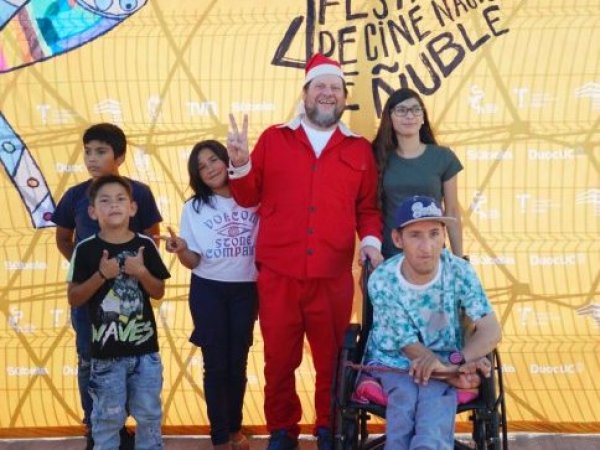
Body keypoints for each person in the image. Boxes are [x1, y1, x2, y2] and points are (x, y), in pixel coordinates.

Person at [226, 53, 383, 450]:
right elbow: (248, 198)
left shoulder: (359, 149)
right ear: (306, 93)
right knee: (280, 359)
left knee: (332, 359)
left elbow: (368, 209)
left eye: (335, 88)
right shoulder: (274, 139)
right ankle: (282, 429)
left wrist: (370, 243)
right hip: (278, 273)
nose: (328, 94)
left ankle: (329, 427)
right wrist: (240, 165)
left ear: (344, 97)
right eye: (321, 87)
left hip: (332, 275)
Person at [52, 123, 162, 450]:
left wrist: (135, 271)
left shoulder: (140, 192)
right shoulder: (75, 195)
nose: (92, 158)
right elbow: (63, 239)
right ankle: (96, 428)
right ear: (92, 209)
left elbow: (152, 240)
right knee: (90, 362)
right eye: (87, 152)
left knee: (135, 368)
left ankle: (127, 429)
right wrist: (91, 271)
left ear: (120, 156)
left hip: (131, 308)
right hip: (90, 306)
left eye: (101, 151)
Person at [365, 195, 502, 450]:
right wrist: (454, 375)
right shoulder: (383, 280)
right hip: (393, 361)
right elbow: (408, 345)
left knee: (434, 403)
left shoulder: (459, 271)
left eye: (434, 234)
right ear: (398, 239)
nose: (426, 246)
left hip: (447, 357)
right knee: (405, 398)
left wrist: (457, 361)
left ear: (443, 236)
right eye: (415, 235)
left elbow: (491, 329)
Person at [161, 140, 258, 450]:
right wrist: (181, 250)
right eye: (201, 167)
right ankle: (219, 437)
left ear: (226, 160)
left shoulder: (253, 197)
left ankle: (234, 429)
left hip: (246, 290)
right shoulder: (194, 207)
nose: (210, 169)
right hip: (208, 291)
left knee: (237, 364)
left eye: (213, 160)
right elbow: (193, 262)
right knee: (215, 365)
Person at [67, 175, 170, 450]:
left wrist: (141, 272)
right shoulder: (85, 249)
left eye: (120, 199)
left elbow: (158, 291)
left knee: (149, 416)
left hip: (145, 353)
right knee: (107, 420)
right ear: (92, 212)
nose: (114, 205)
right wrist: (101, 275)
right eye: (105, 200)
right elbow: (74, 297)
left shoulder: (145, 245)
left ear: (132, 208)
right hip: (105, 356)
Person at [372, 88, 464, 259]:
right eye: (401, 110)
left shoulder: (443, 157)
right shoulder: (378, 157)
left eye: (416, 109)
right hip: (390, 256)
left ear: (423, 117)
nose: (409, 116)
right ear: (389, 118)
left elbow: (451, 211)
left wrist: (460, 260)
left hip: (432, 254)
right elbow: (371, 211)